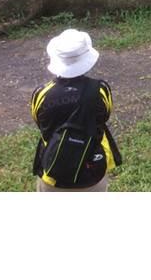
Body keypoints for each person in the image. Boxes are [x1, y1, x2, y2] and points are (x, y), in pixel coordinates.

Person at [30, 29, 120, 192]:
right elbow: (104, 116)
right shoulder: (100, 90)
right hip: (93, 169)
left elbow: (40, 122)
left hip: (52, 172)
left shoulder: (42, 93)